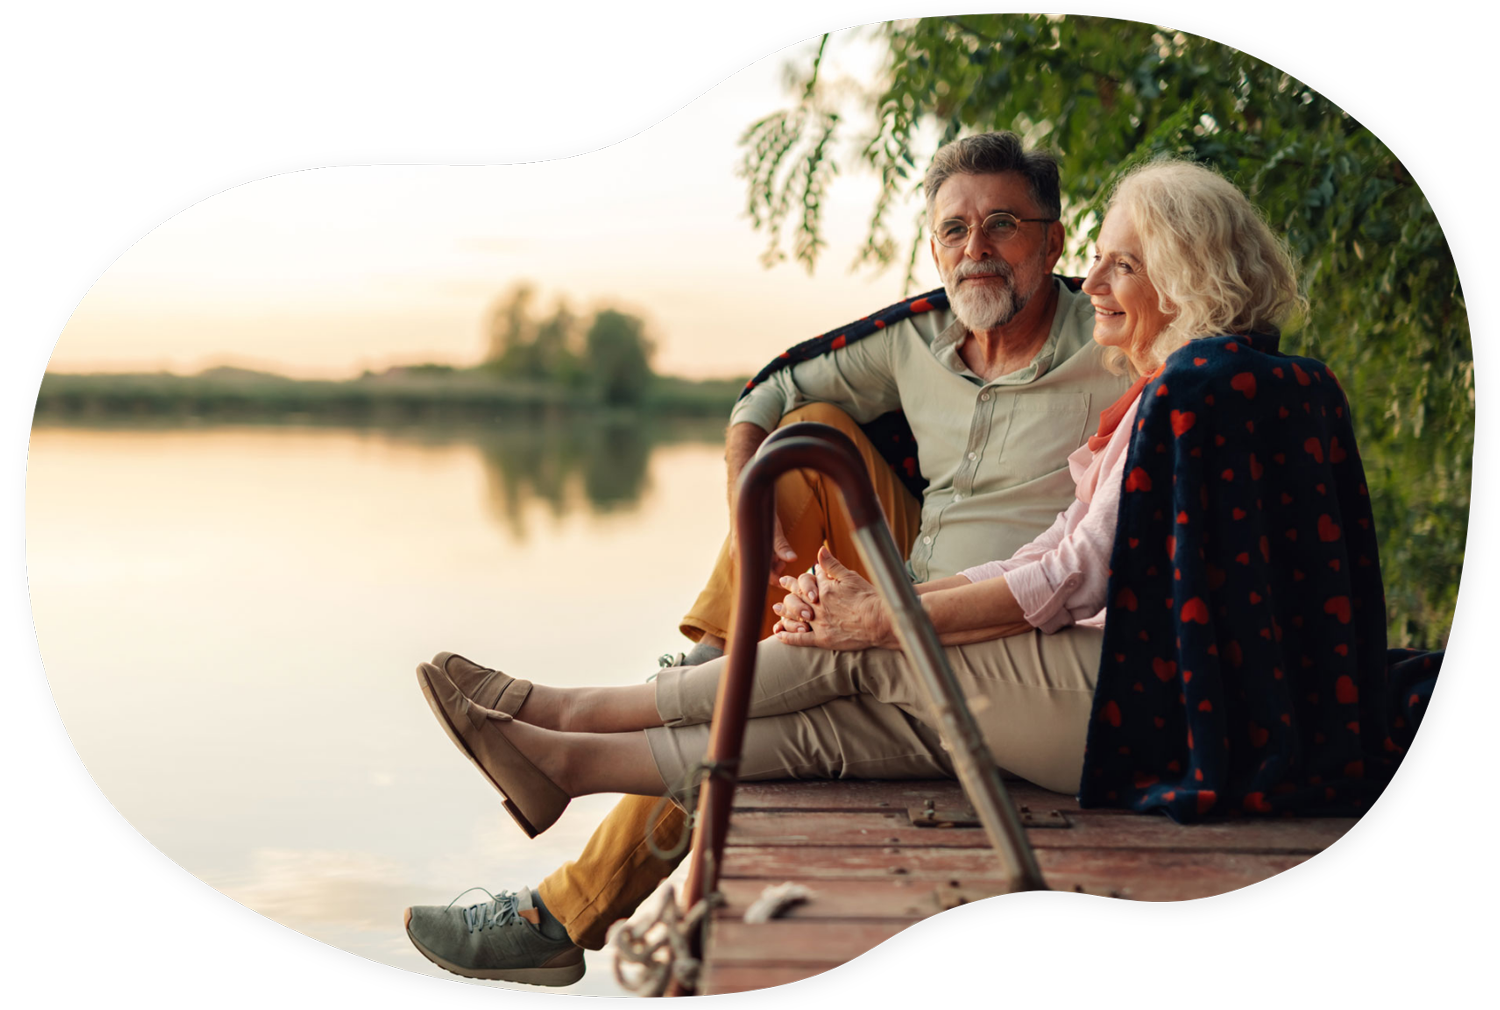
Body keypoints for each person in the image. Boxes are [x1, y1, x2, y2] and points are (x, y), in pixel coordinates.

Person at [405, 156, 1444, 986]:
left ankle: (567, 718)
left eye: (1113, 263)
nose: (1095, 283)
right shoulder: (1000, 348)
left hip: (1111, 686)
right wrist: (855, 593)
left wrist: (881, 617)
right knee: (821, 574)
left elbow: (1075, 574)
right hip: (1036, 647)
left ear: (1148, 262)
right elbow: (771, 394)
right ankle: (572, 750)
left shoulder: (1184, 384)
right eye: (955, 228)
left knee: (866, 670)